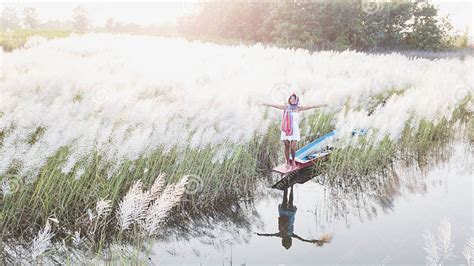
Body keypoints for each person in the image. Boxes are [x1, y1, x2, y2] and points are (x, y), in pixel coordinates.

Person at [261, 93, 327, 170]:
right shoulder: (286, 107)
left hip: (294, 130)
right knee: (286, 146)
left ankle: (293, 161)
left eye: (294, 99)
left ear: (296, 100)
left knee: (292, 147)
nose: (292, 100)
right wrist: (264, 103)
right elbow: (274, 105)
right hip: (286, 129)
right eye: (291, 99)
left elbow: (310, 106)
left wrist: (323, 105)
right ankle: (288, 162)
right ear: (289, 100)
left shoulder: (298, 108)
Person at [255, 185, 332, 249]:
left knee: (291, 200)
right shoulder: (280, 235)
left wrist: (316, 241)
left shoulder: (291, 234)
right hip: (283, 213)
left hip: (290, 214)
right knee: (284, 199)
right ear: (283, 241)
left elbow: (303, 240)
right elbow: (269, 235)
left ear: (290, 240)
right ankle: (287, 186)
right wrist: (260, 234)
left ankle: (291, 185)